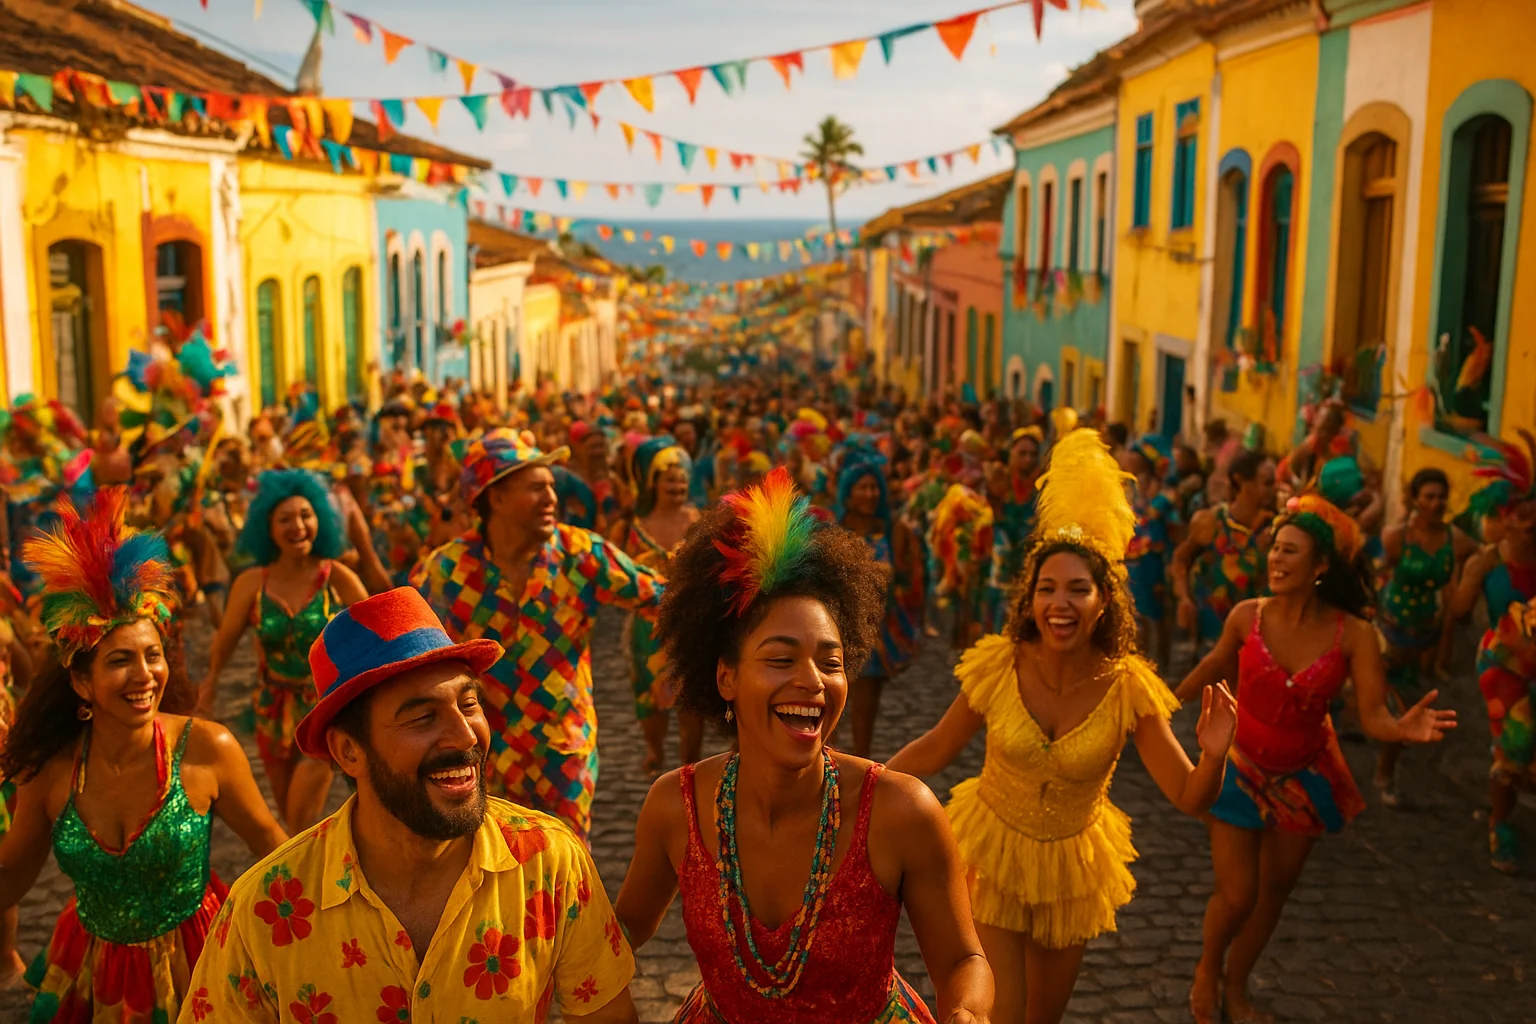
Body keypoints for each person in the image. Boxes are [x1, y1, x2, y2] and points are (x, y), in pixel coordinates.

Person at [615, 467, 993, 1024]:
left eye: (831, 661)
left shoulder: (901, 812)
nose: (813, 681)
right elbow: (623, 930)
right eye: (780, 658)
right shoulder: (676, 807)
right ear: (725, 678)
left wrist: (967, 1011)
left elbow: (963, 957)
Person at [887, 429, 1237, 1024]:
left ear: (1105, 602)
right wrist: (868, 781)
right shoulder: (1001, 664)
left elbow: (1189, 796)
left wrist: (1214, 754)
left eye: (1079, 589)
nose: (1060, 603)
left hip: (1074, 870)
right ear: (1030, 598)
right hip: (995, 854)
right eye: (1047, 588)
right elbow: (940, 746)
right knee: (1001, 1013)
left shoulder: (1128, 687)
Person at [184, 587, 641, 1023]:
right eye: (422, 717)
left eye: (469, 703)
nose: (466, 737)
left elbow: (607, 1014)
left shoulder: (549, 862)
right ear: (348, 751)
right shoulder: (265, 906)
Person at [0, 488, 286, 1021]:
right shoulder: (51, 772)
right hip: (92, 969)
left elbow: (274, 850)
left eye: (153, 656)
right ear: (81, 683)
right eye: (119, 661)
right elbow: (11, 878)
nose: (144, 676)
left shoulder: (208, 748)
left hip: (199, 962)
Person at [1174, 494, 1455, 1024]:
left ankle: (1237, 988)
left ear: (1321, 566)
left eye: (1290, 553)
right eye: (1274, 550)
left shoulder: (1356, 635)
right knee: (1236, 896)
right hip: (1239, 767)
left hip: (1304, 778)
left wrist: (1398, 729)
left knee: (1272, 895)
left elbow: (1370, 714)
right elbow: (1214, 666)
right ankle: (1208, 969)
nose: (1276, 561)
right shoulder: (1246, 616)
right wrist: (1156, 704)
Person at [412, 429, 663, 842]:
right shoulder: (445, 573)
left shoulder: (580, 554)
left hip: (563, 752)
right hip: (482, 754)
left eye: (551, 486)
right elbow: (412, 657)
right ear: (495, 498)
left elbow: (659, 597)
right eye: (535, 488)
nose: (552, 498)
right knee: (490, 873)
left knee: (566, 869)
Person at [198, 470, 369, 832]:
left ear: (320, 520)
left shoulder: (336, 576)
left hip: (324, 710)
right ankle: (307, 878)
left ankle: (298, 879)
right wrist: (210, 685)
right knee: (289, 816)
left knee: (299, 820)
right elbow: (224, 641)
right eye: (285, 519)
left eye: (306, 515)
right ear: (268, 529)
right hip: (270, 709)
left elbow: (378, 628)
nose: (298, 526)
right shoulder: (250, 583)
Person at [1448, 435, 1536, 873]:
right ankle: (1501, 827)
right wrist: (1459, 569)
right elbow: (1460, 611)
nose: (1532, 525)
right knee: (1515, 746)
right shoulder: (1486, 562)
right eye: (1524, 517)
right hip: (1502, 665)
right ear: (1506, 517)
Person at [1375, 468, 1475, 807]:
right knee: (1404, 710)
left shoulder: (1456, 541)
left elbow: (1478, 562)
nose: (1435, 503)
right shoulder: (1396, 537)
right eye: (1428, 496)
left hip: (1427, 642)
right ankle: (1384, 775)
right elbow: (1376, 577)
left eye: (1441, 496)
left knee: (1406, 707)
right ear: (1414, 498)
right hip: (1390, 637)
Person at [609, 436, 701, 773]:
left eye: (682, 476)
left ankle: (690, 765)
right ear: (653, 482)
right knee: (649, 698)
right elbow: (613, 575)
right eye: (669, 477)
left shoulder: (698, 519)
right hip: (645, 629)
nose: (677, 482)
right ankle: (655, 749)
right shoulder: (631, 528)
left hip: (689, 626)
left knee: (690, 697)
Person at [834, 451, 921, 758]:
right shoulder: (834, 532)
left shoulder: (893, 532)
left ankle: (859, 772)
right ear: (848, 493)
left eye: (875, 488)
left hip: (874, 639)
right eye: (863, 487)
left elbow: (909, 581)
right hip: (836, 633)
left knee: (864, 717)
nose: (870, 494)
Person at [1173, 449, 1277, 657]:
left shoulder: (1277, 529)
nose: (1273, 490)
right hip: (1210, 641)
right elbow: (1181, 559)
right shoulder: (1212, 521)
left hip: (1256, 644)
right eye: (1267, 483)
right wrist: (1184, 598)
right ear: (1240, 481)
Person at [1124, 436, 1180, 668]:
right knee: (1137, 613)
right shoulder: (1130, 487)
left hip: (1156, 560)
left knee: (1158, 613)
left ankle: (1162, 662)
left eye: (1135, 454)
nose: (1129, 457)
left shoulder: (1165, 491)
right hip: (1133, 558)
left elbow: (1165, 518)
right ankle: (1141, 661)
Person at [984, 426, 1043, 633]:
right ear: (1011, 453)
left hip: (1030, 572)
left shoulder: (1043, 489)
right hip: (999, 572)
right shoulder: (999, 483)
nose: (1028, 459)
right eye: (1022, 453)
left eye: (1033, 454)